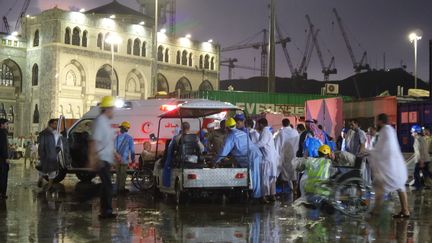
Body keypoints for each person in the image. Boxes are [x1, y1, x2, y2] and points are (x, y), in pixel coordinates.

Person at [368, 113, 410, 218]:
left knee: (380, 187)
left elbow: (383, 149)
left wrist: (370, 152)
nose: (374, 123)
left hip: (392, 167)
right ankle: (405, 211)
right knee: (400, 187)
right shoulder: (388, 130)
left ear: (380, 121)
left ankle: (376, 211)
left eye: (376, 120)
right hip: (396, 165)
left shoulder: (385, 131)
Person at [214, 118, 262, 199]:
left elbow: (224, 151)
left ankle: (256, 197)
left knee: (254, 176)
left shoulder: (232, 136)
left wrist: (215, 161)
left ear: (227, 128)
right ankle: (257, 195)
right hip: (257, 154)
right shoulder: (241, 133)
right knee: (256, 176)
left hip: (250, 156)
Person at [89, 96, 119, 219]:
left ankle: (105, 211)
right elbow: (94, 141)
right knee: (107, 186)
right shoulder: (101, 121)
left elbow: (108, 142)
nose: (113, 111)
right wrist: (92, 158)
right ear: (107, 109)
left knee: (105, 186)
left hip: (106, 159)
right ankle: (106, 211)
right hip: (101, 158)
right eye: (112, 108)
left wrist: (115, 154)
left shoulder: (106, 122)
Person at [163, 122, 204, 187]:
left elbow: (170, 150)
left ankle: (166, 184)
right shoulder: (196, 137)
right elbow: (202, 149)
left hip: (181, 160)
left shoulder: (176, 138)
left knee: (167, 165)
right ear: (189, 128)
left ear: (181, 128)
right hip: (194, 160)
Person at [254, 118, 279, 203]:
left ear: (261, 124)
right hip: (271, 158)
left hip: (267, 159)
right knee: (271, 177)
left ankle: (264, 196)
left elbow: (262, 143)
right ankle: (272, 195)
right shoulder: (267, 131)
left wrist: (252, 146)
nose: (256, 126)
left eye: (257, 124)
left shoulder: (265, 131)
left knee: (265, 177)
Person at [274, 118, 300, 193]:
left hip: (284, 156)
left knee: (284, 175)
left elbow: (277, 145)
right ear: (289, 123)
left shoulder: (281, 133)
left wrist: (277, 156)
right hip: (294, 155)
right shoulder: (295, 132)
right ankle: (295, 190)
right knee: (293, 174)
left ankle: (282, 190)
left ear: (282, 124)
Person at [37, 119, 61, 191]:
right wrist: (41, 155)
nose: (56, 125)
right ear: (50, 124)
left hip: (51, 155)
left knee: (50, 171)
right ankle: (43, 182)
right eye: (55, 124)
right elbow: (41, 145)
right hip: (47, 155)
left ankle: (49, 186)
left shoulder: (54, 133)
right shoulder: (44, 133)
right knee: (46, 170)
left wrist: (55, 151)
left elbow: (58, 145)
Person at [115, 121, 135, 194]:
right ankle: (121, 190)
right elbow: (132, 150)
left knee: (118, 175)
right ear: (126, 129)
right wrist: (133, 159)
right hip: (124, 160)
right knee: (123, 175)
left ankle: (118, 189)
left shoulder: (117, 138)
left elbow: (114, 149)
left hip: (117, 160)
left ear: (121, 128)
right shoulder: (129, 138)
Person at [410, 125, 431, 190]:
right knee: (426, 173)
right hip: (426, 159)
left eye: (412, 132)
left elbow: (420, 151)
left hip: (421, 160)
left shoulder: (418, 139)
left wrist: (421, 161)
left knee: (416, 173)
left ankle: (418, 186)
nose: (411, 133)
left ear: (416, 132)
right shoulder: (422, 138)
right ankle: (424, 185)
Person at [0, 119, 9, 199]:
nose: (7, 125)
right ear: (2, 124)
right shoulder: (3, 133)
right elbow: (4, 147)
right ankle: (3, 193)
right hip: (2, 160)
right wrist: (6, 157)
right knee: (3, 176)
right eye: (6, 124)